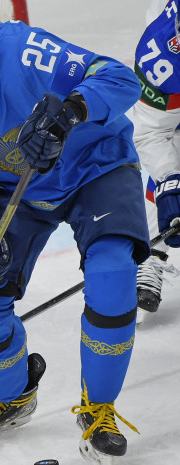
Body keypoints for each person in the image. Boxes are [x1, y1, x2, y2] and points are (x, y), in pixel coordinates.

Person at [0, 6, 149, 463]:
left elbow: (120, 78)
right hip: (14, 189)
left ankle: (98, 408)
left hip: (96, 167)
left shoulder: (22, 51)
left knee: (113, 273)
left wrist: (72, 111)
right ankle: (15, 398)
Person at [130, 0, 180, 324]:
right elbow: (152, 133)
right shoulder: (162, 53)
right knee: (170, 161)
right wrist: (170, 180)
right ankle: (150, 249)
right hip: (169, 110)